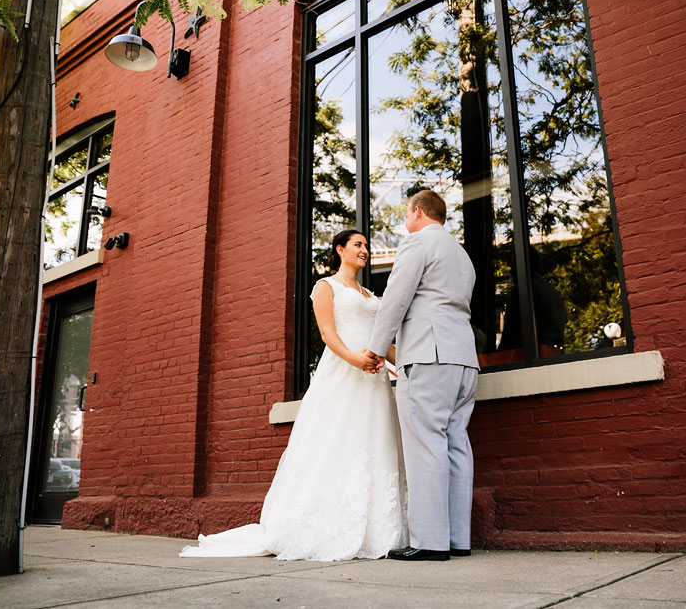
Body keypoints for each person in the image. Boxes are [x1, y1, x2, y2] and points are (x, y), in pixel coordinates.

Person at [180, 230, 407, 561]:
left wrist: (408, 363)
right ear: (340, 250)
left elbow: (382, 339)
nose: (365, 250)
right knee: (335, 443)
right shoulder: (325, 287)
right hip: (343, 373)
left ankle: (376, 529)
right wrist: (355, 359)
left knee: (372, 443)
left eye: (366, 246)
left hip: (373, 383)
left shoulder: (371, 294)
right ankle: (321, 525)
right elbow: (329, 334)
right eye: (357, 244)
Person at [361, 190, 479, 562]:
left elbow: (396, 298)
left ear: (416, 213)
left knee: (425, 442)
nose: (405, 222)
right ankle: (458, 539)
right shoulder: (462, 255)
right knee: (456, 443)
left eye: (406, 215)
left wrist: (377, 348)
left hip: (429, 355)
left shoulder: (417, 243)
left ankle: (429, 541)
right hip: (465, 359)